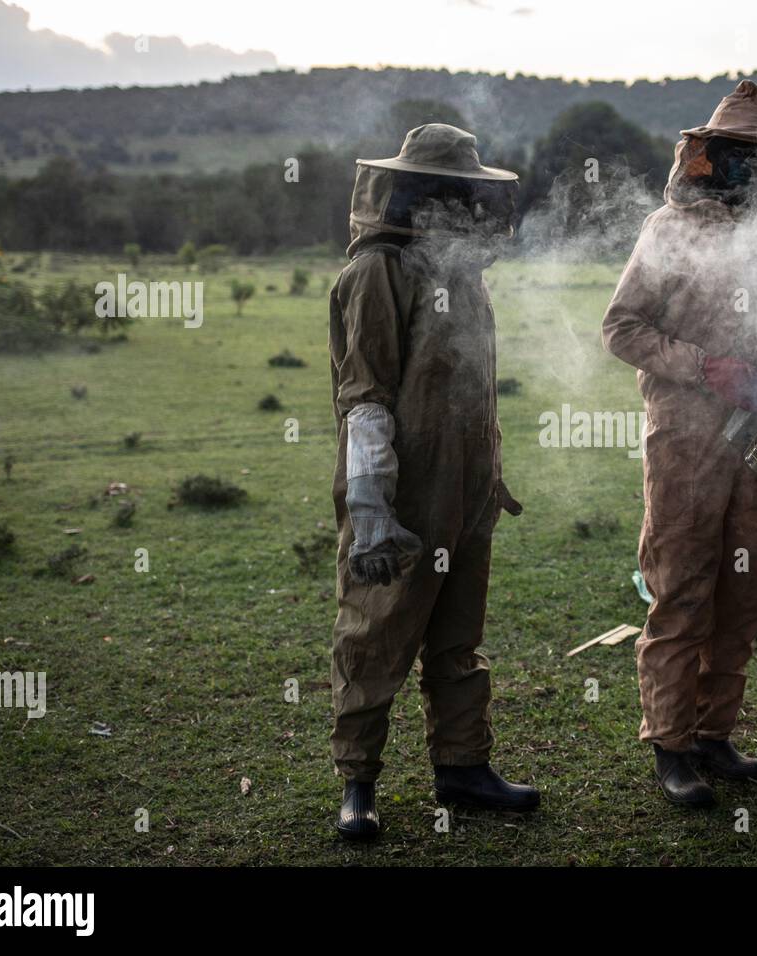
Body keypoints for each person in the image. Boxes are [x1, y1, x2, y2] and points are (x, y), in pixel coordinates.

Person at [603, 81, 757, 807]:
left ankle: (713, 735)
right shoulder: (669, 232)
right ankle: (671, 747)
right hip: (686, 445)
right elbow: (622, 328)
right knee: (681, 591)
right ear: (710, 158)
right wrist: (707, 368)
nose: (753, 172)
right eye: (741, 157)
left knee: (744, 592)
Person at [328, 124, 539, 839]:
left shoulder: (463, 276)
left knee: (458, 637)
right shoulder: (376, 272)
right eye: (447, 192)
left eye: (467, 193)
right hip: (399, 493)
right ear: (413, 192)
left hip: (467, 493)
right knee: (375, 632)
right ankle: (359, 783)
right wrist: (370, 506)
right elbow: (365, 396)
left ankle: (463, 768)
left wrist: (491, 476)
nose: (461, 206)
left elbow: (474, 396)